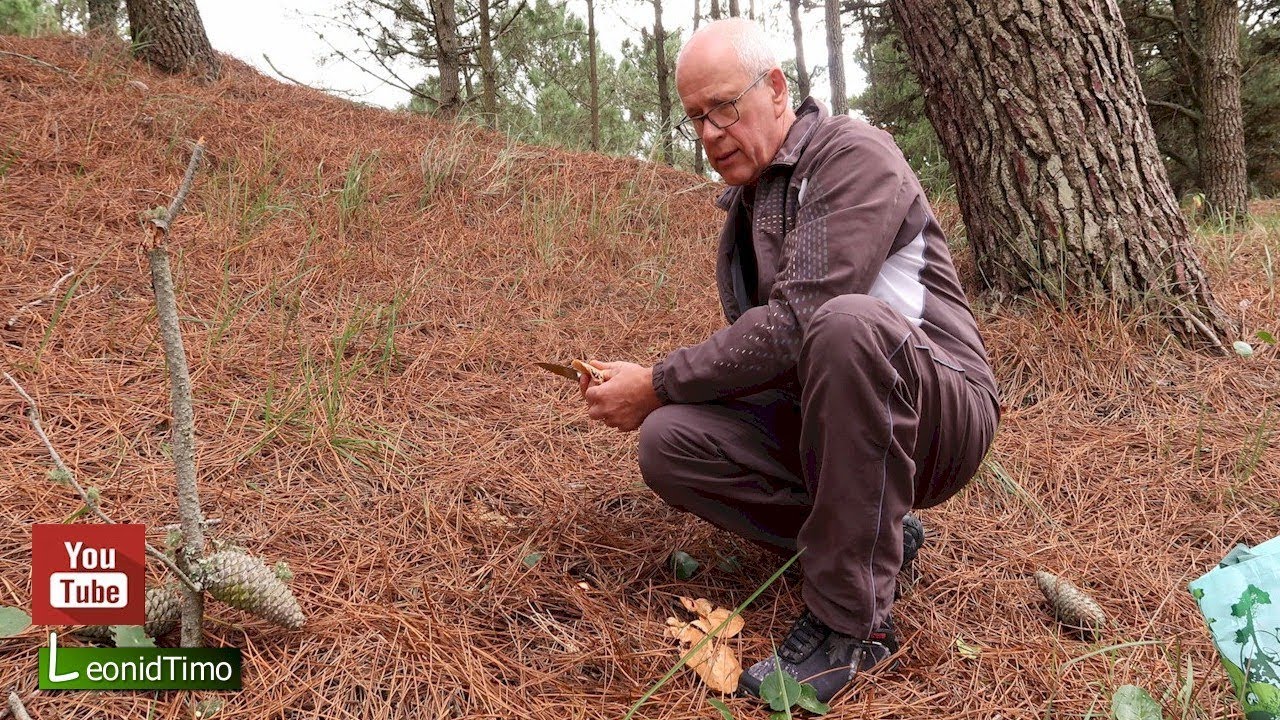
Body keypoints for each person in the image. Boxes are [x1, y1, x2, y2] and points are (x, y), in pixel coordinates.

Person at [579, 17, 999, 704]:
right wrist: (662, 397)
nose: (711, 133)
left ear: (775, 89)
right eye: (696, 118)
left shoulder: (852, 154)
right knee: (668, 442)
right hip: (838, 410)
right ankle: (877, 541)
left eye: (724, 107)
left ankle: (851, 624)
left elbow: (798, 324)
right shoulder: (748, 209)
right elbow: (765, 358)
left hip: (941, 411)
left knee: (843, 324)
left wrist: (657, 379)